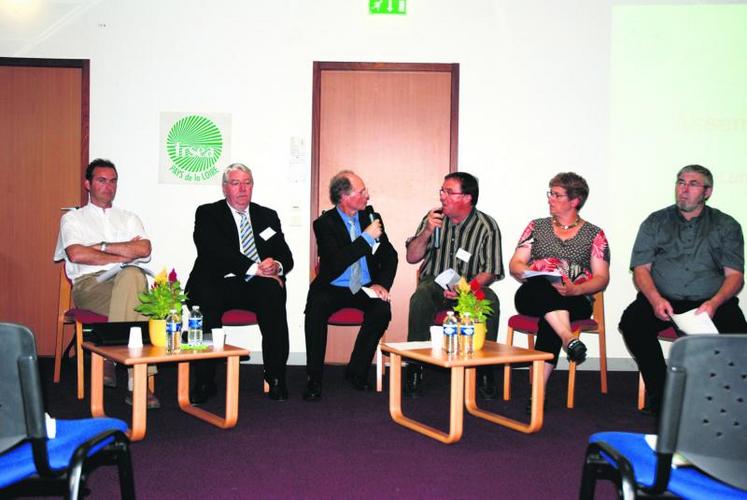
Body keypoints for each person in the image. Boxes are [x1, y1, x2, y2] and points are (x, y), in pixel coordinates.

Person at [620, 164, 746, 416]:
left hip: (710, 302)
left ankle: (724, 400)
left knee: (739, 339)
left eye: (693, 184)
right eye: (680, 182)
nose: (684, 190)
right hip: (663, 299)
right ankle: (662, 393)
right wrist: (655, 299)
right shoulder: (656, 221)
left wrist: (715, 303)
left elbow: (735, 277)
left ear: (707, 192)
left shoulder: (725, 224)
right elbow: (641, 269)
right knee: (632, 323)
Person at [54, 158, 159, 408]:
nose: (108, 186)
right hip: (90, 285)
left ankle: (108, 356)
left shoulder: (129, 217)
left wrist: (100, 247)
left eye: (113, 181)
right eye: (102, 180)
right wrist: (123, 252)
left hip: (126, 282)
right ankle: (139, 384)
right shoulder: (73, 219)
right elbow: (77, 255)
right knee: (140, 299)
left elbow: (144, 249)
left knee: (133, 277)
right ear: (87, 184)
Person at [185, 163, 294, 404]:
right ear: (225, 188)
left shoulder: (267, 215)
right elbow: (214, 251)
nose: (243, 189)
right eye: (236, 183)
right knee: (206, 302)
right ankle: (205, 381)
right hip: (217, 280)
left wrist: (275, 266)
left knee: (273, 293)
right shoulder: (207, 213)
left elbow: (286, 256)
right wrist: (256, 268)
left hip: (255, 284)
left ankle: (276, 377)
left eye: (247, 183)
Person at [508, 172, 610, 411]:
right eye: (550, 193)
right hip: (533, 293)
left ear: (575, 201)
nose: (550, 199)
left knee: (551, 315)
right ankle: (568, 338)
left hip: (575, 298)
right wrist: (534, 269)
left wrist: (577, 288)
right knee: (546, 292)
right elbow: (515, 264)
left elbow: (601, 278)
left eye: (556, 195)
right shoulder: (537, 226)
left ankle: (538, 393)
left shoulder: (594, 234)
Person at [405, 172, 503, 398]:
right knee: (421, 296)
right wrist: (427, 231)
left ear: (467, 197)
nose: (442, 197)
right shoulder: (433, 218)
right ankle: (414, 366)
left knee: (490, 300)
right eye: (442, 191)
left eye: (449, 192)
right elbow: (412, 257)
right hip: (434, 282)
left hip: (471, 285)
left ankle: (485, 371)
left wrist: (466, 288)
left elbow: (490, 271)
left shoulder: (487, 226)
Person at [302, 171, 398, 401]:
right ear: (344, 196)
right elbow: (335, 263)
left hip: (364, 286)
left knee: (382, 310)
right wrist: (366, 239)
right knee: (316, 309)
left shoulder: (372, 217)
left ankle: (357, 371)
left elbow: (390, 255)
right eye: (361, 191)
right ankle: (313, 377)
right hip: (333, 285)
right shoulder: (324, 224)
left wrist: (381, 284)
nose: (368, 195)